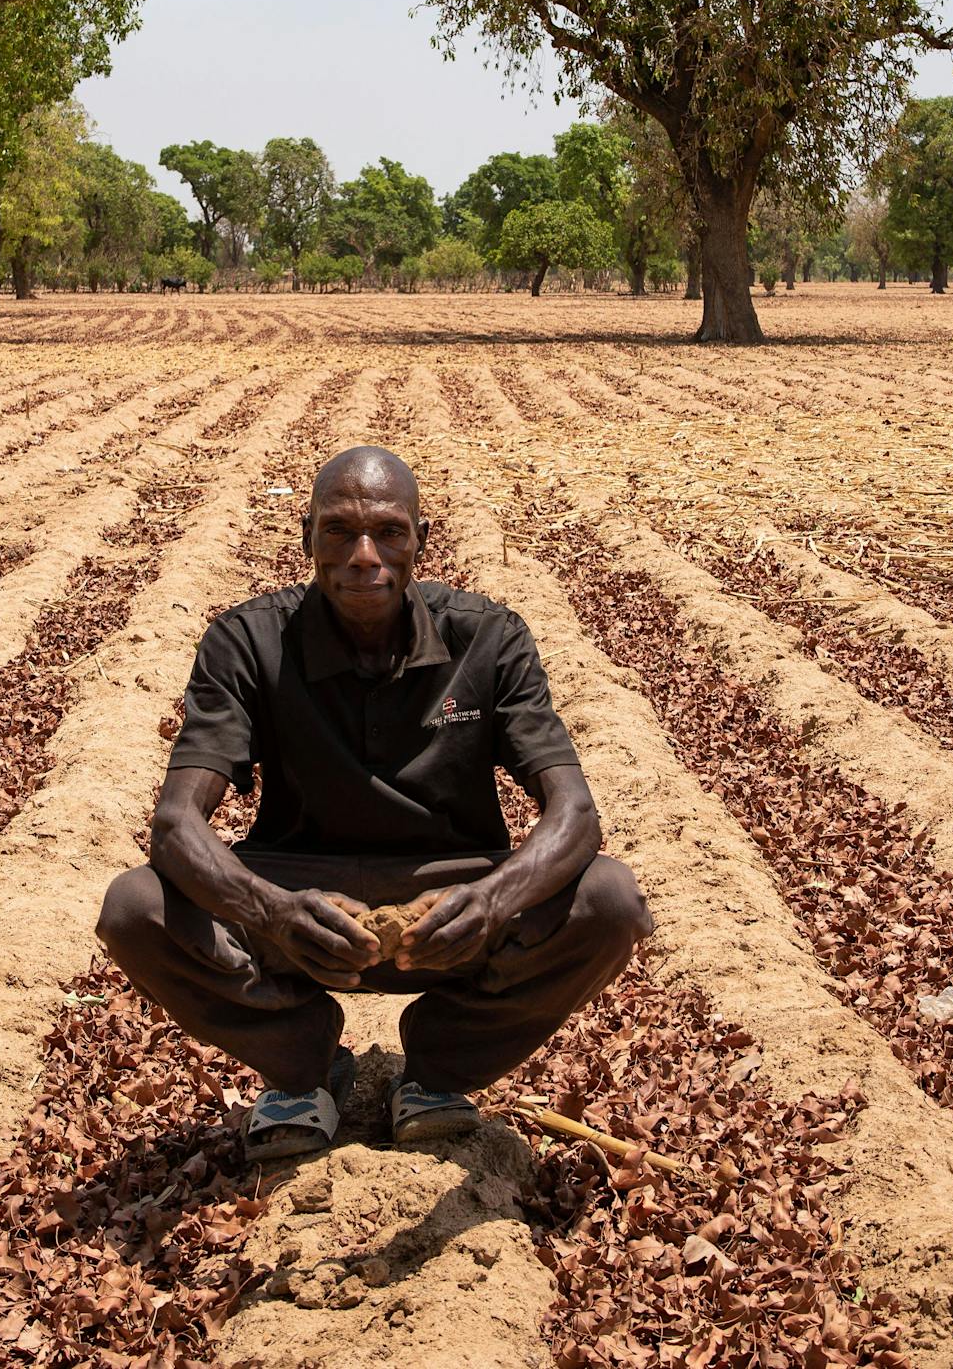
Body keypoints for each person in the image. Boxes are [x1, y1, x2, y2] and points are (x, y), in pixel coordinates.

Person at [97, 444, 652, 1162]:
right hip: (299, 897)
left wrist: (490, 900)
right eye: (339, 531)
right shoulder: (250, 641)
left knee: (611, 900)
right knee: (134, 908)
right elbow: (174, 824)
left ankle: (437, 1069)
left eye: (389, 531)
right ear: (307, 539)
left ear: (422, 539)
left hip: (451, 899)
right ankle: (302, 1061)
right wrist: (271, 910)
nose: (365, 555)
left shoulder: (487, 639)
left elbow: (575, 812)